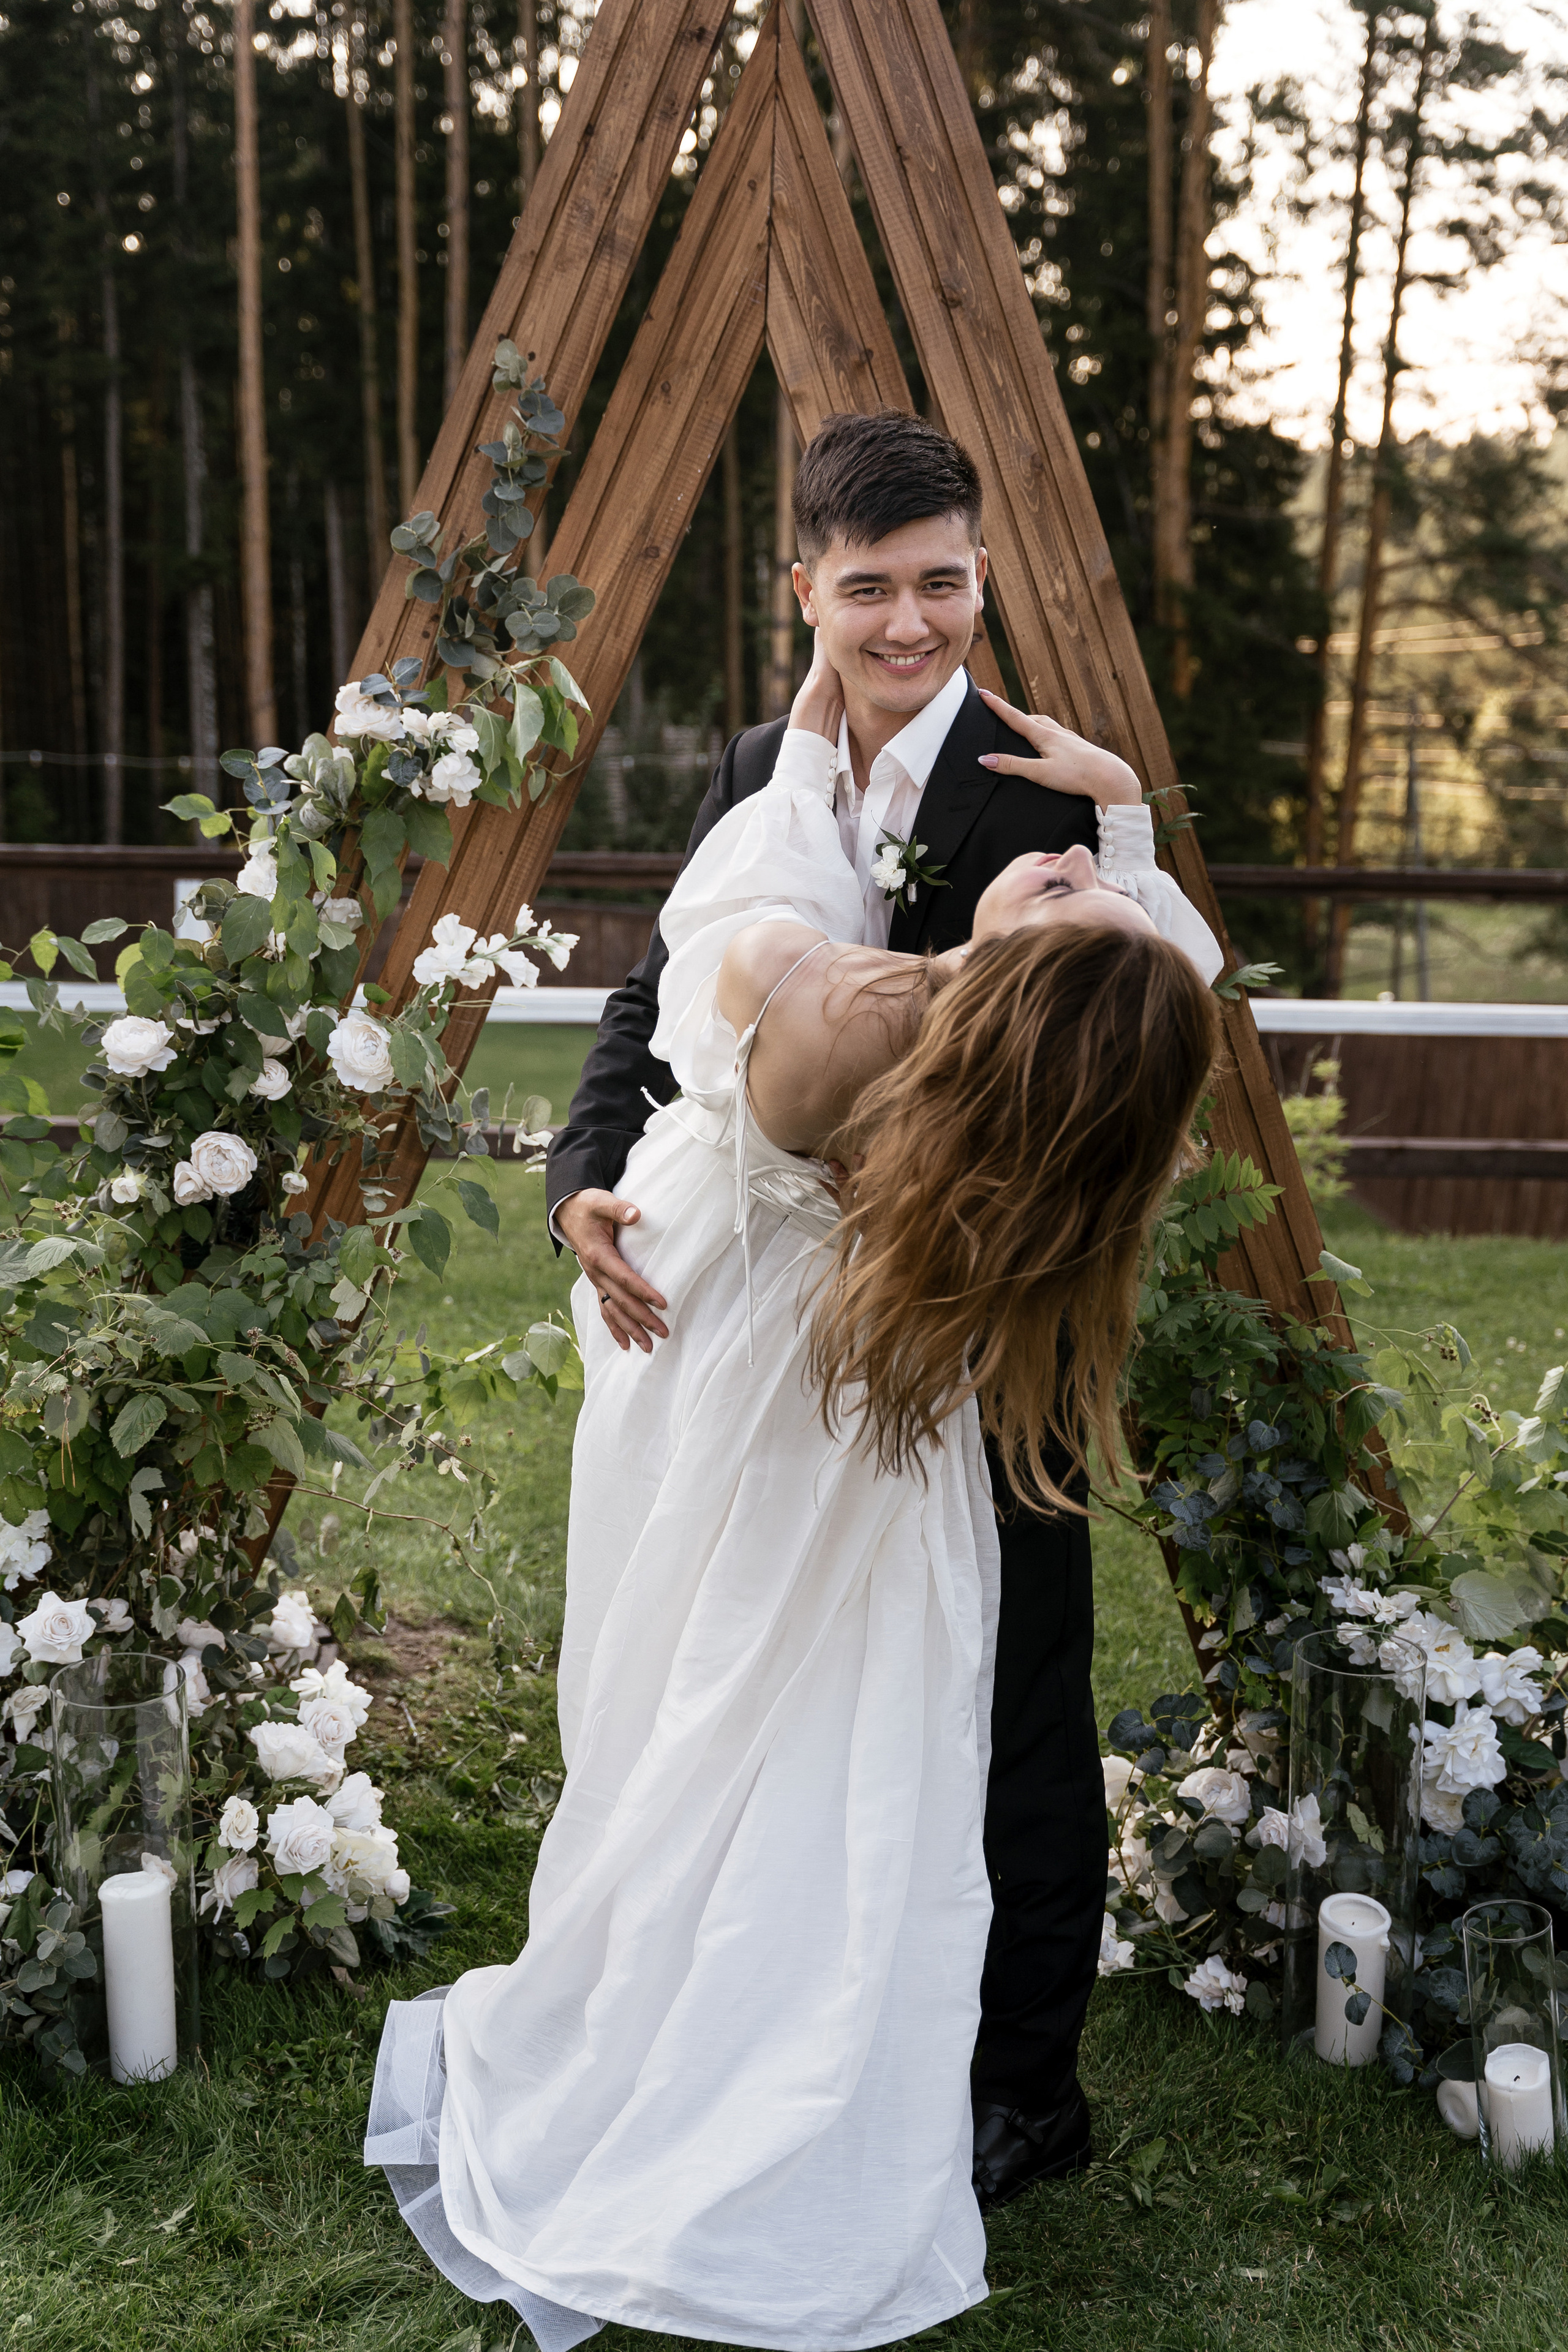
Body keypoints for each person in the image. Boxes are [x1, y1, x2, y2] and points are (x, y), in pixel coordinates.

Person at [364, 647, 1223, 2350]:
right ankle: (788, 2043)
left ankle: (757, 2055)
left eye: (1083, 899)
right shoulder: (1074, 1092)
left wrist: (817, 738)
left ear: (1030, 1002)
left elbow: (729, 920)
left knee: (754, 1717)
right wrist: (1115, 826)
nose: (1092, 882)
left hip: (747, 1363)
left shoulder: (856, 1011)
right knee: (819, 1727)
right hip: (834, 1393)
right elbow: (1164, 974)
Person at [545, 407, 1223, 2206]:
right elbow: (652, 987)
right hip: (773, 1314)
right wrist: (581, 1173)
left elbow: (1163, 999)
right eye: (871, 589)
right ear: (808, 589)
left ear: (980, 578)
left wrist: (1124, 827)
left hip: (987, 1316)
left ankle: (1023, 2089)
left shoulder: (1045, 782)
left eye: (942, 585)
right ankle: (800, 2005)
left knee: (1016, 1690)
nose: (911, 624)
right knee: (801, 1663)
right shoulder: (765, 757)